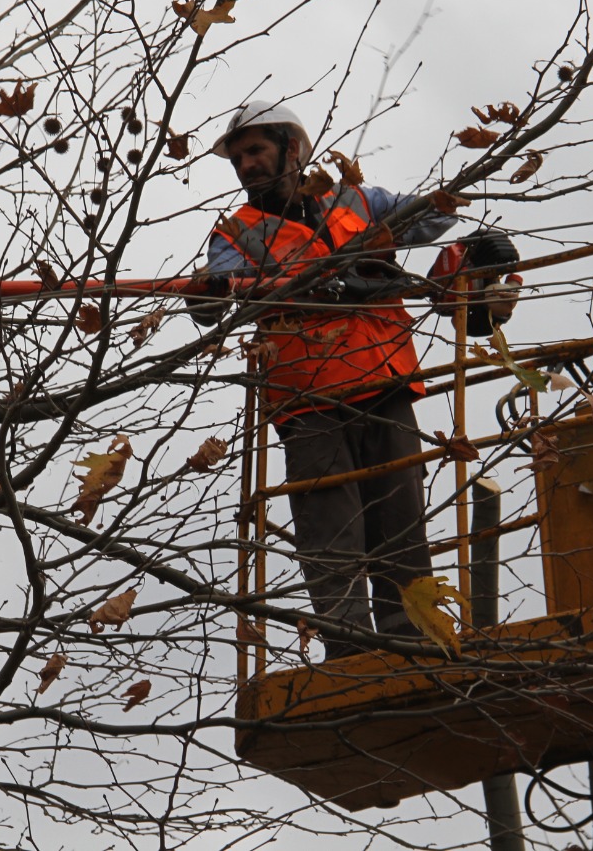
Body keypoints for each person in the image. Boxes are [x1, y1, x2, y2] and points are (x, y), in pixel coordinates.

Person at [194, 100, 460, 659]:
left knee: (401, 524)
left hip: (383, 382)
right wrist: (212, 294)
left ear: (294, 149)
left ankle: (413, 643)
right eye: (238, 158)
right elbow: (215, 294)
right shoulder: (237, 234)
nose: (246, 166)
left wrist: (444, 197)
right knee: (332, 534)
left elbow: (433, 217)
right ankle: (352, 652)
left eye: (256, 152)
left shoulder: (358, 201)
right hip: (307, 399)